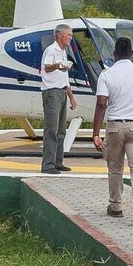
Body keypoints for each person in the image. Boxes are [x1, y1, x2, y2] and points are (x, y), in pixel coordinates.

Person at [92, 37, 133, 225]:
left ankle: (116, 206)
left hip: (115, 126)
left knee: (115, 168)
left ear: (114, 54)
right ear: (132, 54)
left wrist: (95, 133)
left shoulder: (107, 74)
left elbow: (101, 104)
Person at [40, 24, 77, 174]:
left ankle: (58, 161)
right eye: (68, 35)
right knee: (52, 129)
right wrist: (57, 65)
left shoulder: (63, 52)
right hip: (52, 92)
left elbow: (65, 79)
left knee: (61, 130)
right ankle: (48, 164)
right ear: (59, 35)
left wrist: (71, 97)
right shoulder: (51, 50)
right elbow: (47, 67)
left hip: (62, 91)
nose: (70, 38)